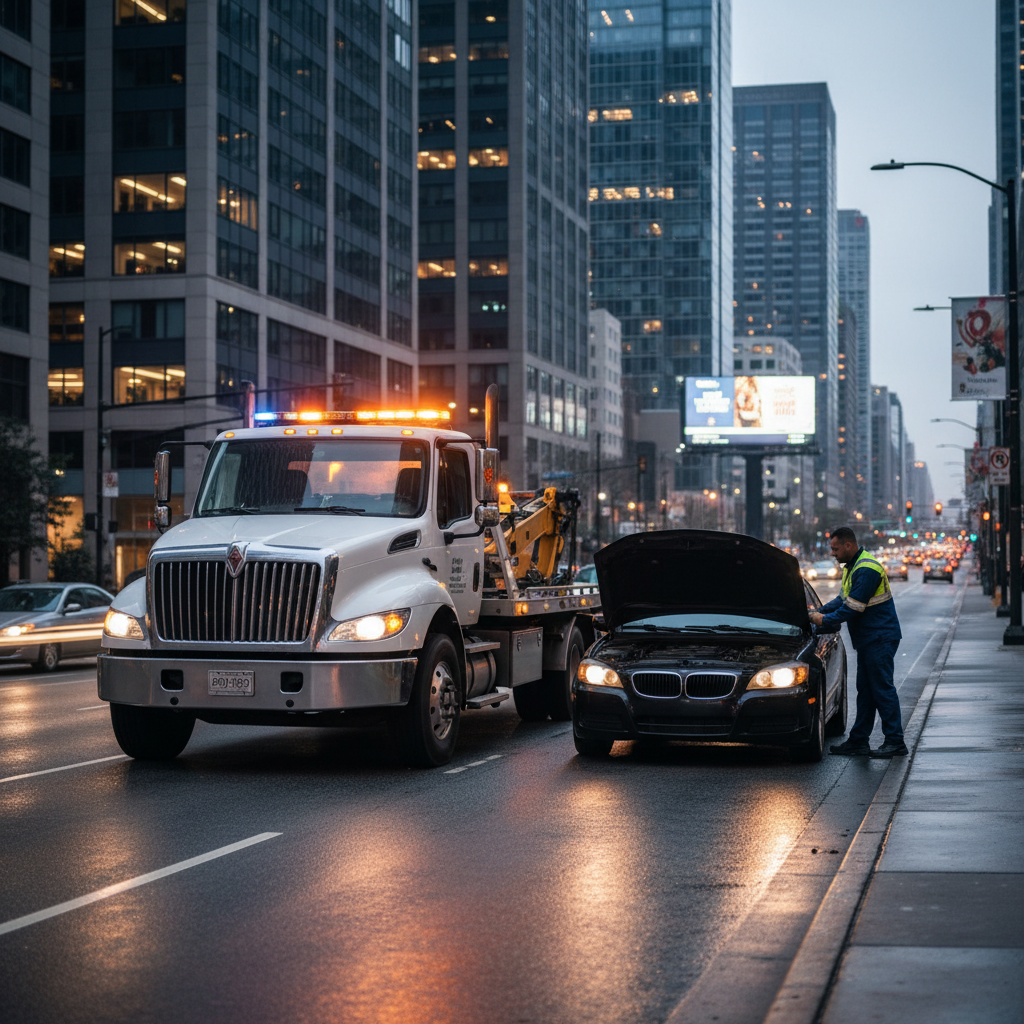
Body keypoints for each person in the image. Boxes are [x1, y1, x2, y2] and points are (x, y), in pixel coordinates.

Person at [807, 526, 907, 758]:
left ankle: (895, 741)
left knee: (882, 689)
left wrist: (823, 619)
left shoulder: (866, 569)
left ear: (848, 546)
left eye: (835, 548)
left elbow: (853, 607)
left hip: (879, 638)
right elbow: (842, 599)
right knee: (866, 690)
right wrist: (816, 612)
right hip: (870, 639)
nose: (832, 553)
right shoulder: (853, 567)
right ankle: (859, 741)